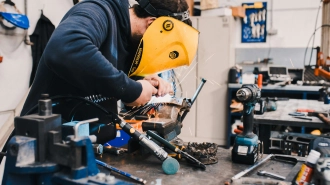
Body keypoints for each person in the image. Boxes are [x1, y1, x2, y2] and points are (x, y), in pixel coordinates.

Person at [19, 0, 193, 143]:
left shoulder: (129, 39)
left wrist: (140, 79)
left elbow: (106, 75)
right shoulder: (98, 11)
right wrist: (131, 90)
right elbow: (66, 47)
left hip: (84, 143)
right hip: (44, 145)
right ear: (152, 23)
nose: (158, 50)